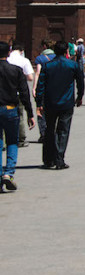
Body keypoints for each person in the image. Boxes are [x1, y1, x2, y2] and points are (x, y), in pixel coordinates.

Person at [35, 41, 85, 170]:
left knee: (49, 130)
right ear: (66, 52)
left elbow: (41, 86)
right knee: (63, 131)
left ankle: (48, 160)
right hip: (66, 103)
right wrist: (80, 97)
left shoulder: (47, 66)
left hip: (50, 103)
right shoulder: (72, 65)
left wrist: (39, 103)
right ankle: (59, 159)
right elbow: (80, 82)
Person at [0, 42, 35, 191]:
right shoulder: (16, 70)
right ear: (9, 53)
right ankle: (8, 173)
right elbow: (24, 92)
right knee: (12, 141)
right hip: (10, 109)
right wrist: (30, 113)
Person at [8, 44, 35, 147]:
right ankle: (21, 139)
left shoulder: (6, 59)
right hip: (18, 92)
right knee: (19, 116)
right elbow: (30, 78)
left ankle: (5, 140)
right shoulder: (24, 60)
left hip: (5, 92)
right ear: (21, 50)